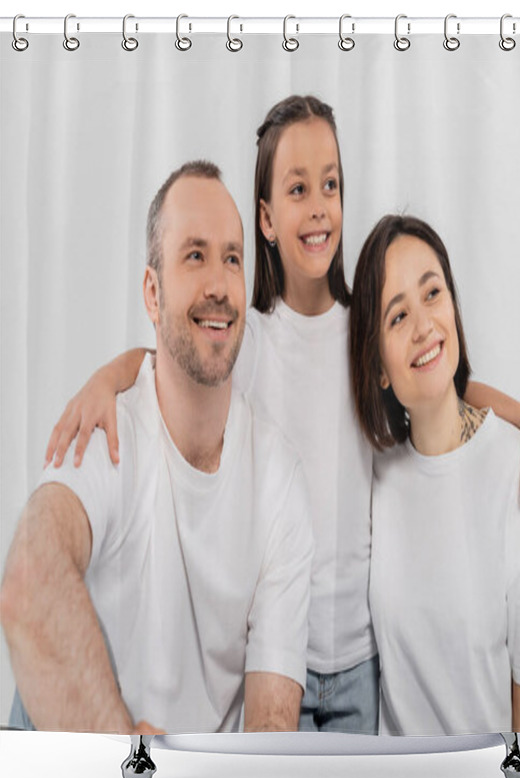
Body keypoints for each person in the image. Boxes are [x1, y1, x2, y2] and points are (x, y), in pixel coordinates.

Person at [39, 96, 520, 735]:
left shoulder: (365, 334)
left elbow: (439, 378)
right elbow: (162, 358)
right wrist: (103, 381)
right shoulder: (244, 336)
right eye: (297, 189)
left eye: (331, 186)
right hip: (271, 655)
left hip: (362, 661)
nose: (318, 206)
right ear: (265, 218)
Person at [0, 161, 314, 734]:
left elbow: (272, 728)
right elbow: (27, 578)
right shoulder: (106, 430)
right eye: (194, 255)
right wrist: (128, 765)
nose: (218, 285)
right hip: (96, 757)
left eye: (232, 258)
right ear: (152, 291)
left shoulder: (280, 480)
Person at [350, 215, 520, 736]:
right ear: (378, 366)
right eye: (397, 317)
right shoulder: (373, 478)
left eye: (432, 294)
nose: (424, 325)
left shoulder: (513, 471)